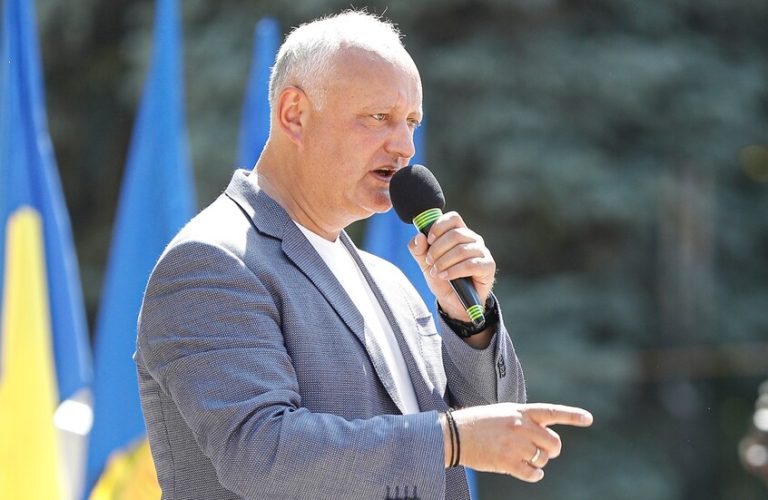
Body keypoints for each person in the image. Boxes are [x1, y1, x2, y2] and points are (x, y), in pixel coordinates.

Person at [135, 10, 593, 500]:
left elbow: (492, 421)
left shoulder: (391, 282)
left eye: (412, 123)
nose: (405, 147)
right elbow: (261, 452)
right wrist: (451, 438)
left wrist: (469, 322)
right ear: (294, 114)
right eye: (379, 118)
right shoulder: (212, 262)